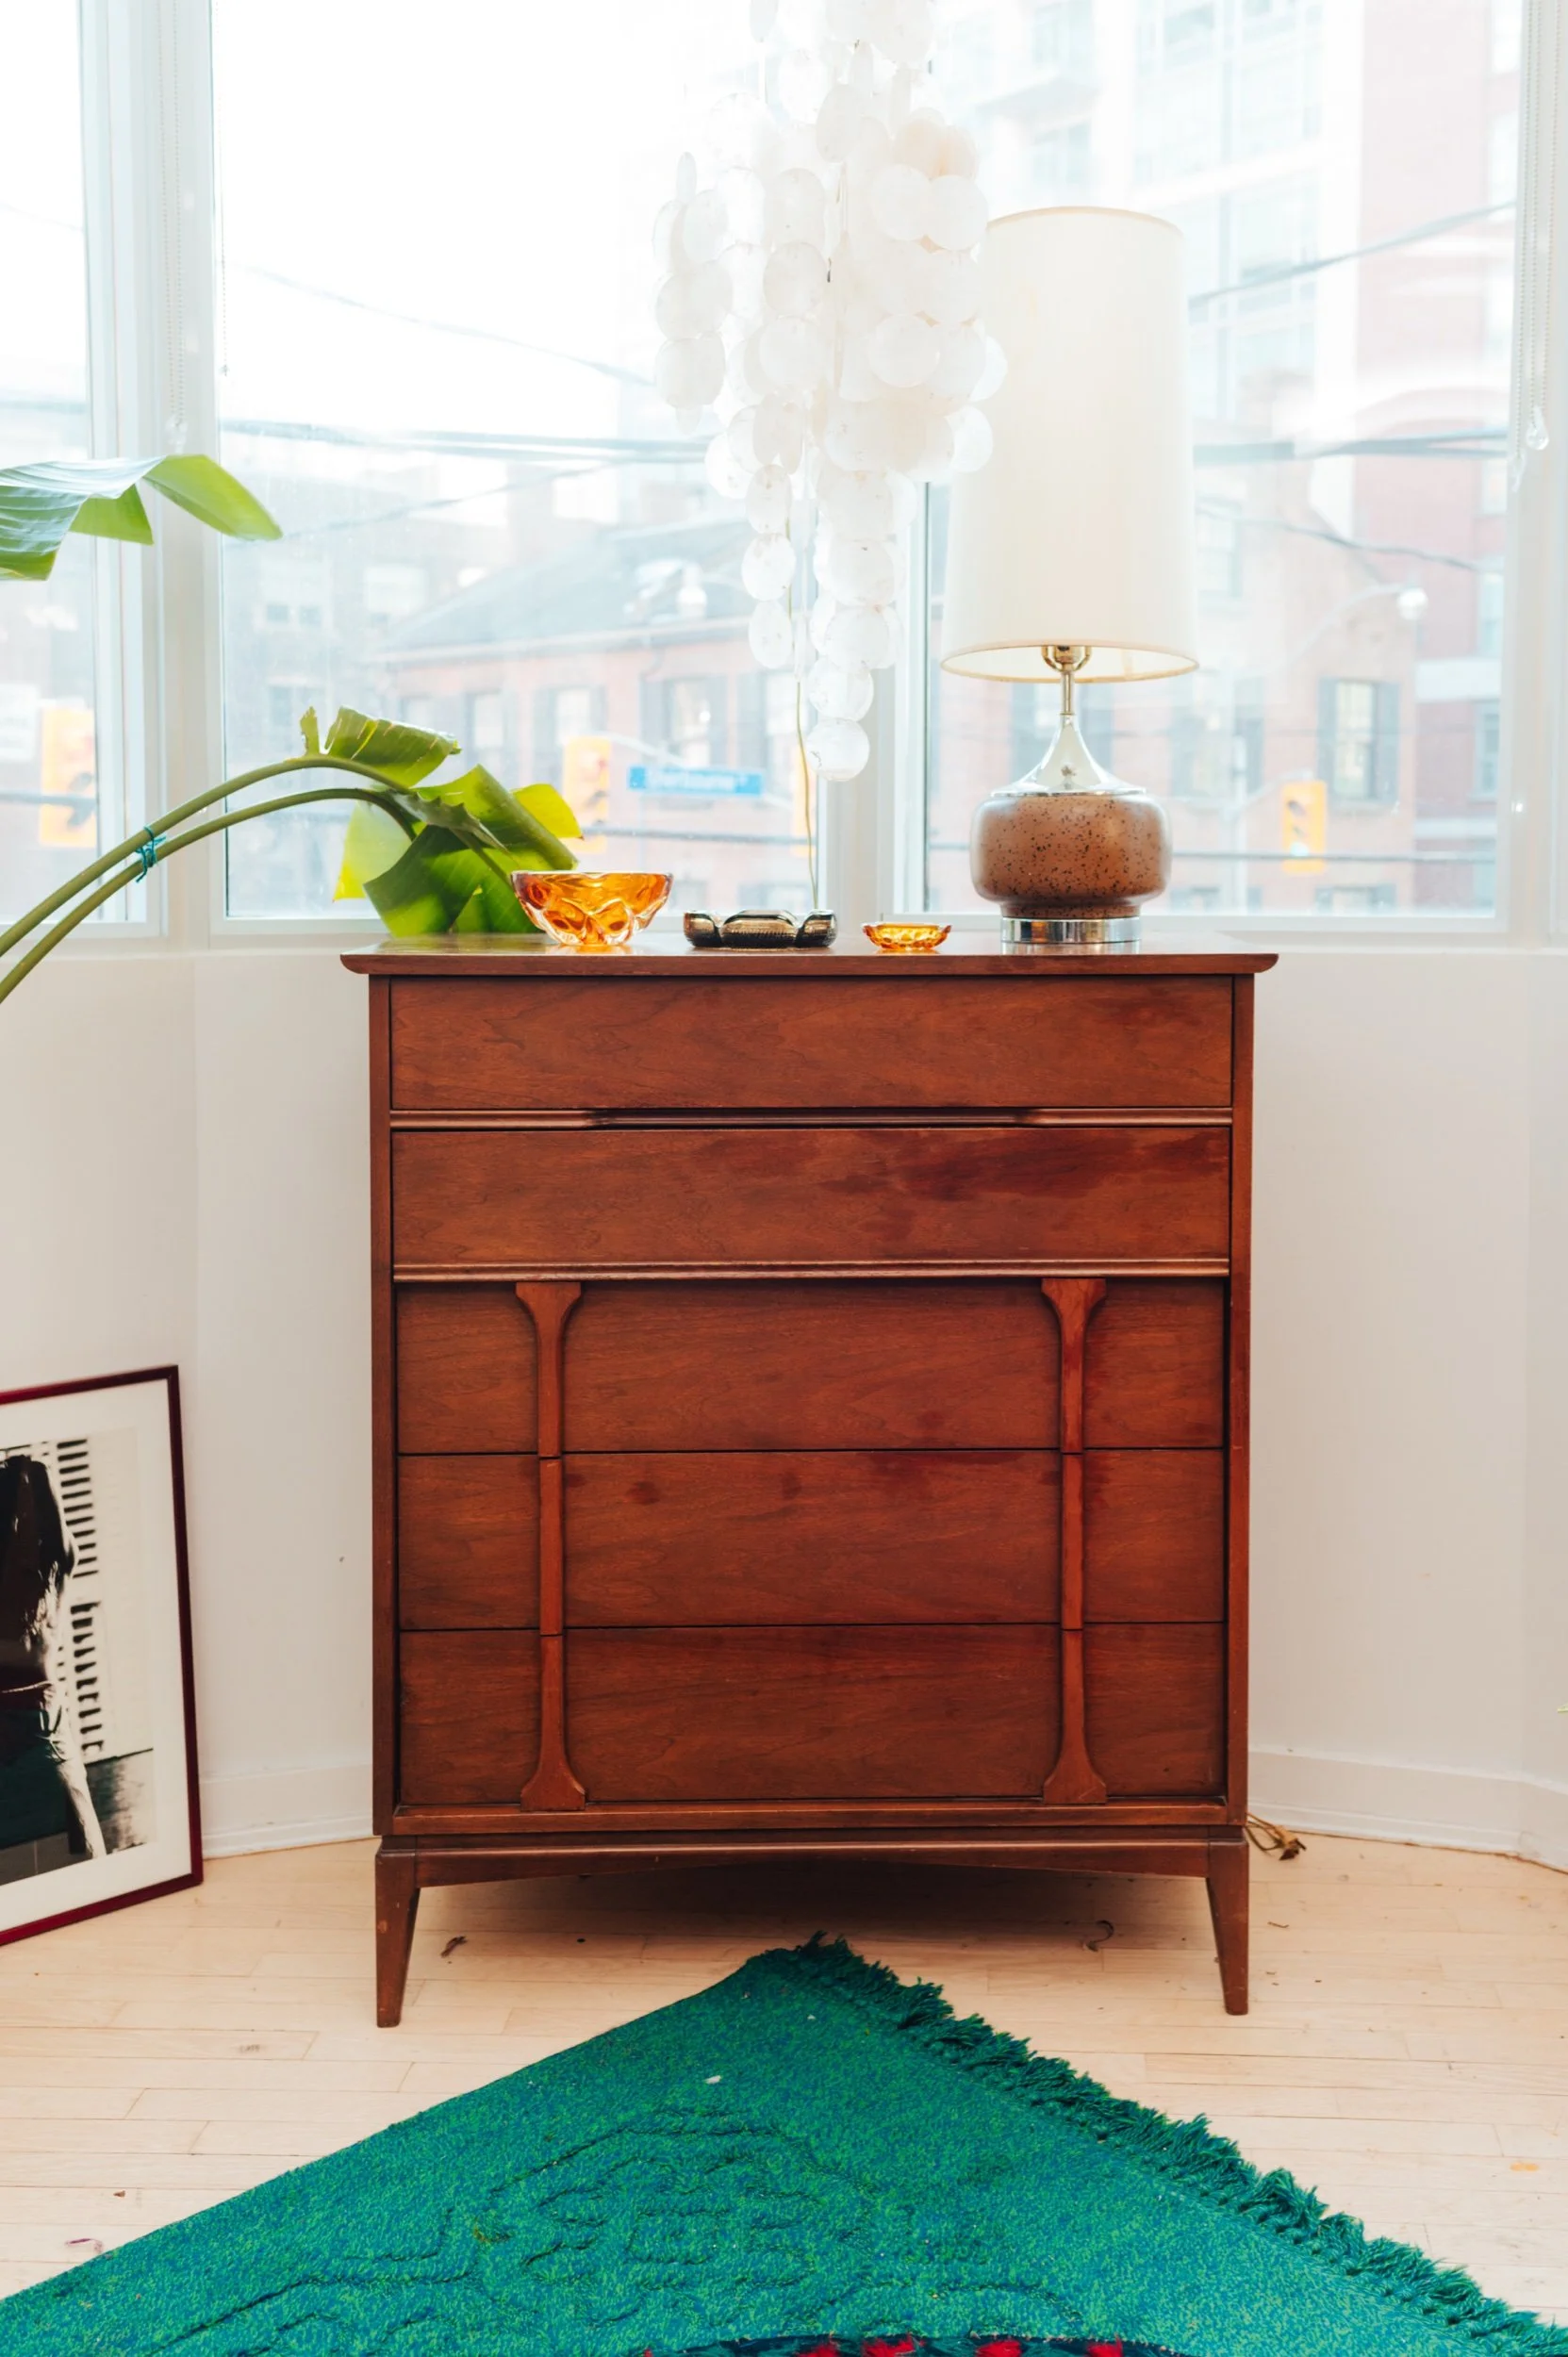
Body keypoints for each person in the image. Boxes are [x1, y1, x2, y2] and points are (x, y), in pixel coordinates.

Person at [0, 1454, 106, 1864]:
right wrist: (34, 1471)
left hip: (28, 1753)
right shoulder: (52, 1575)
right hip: (52, 1754)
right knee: (84, 1883)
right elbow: (61, 1542)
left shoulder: (41, 1577)